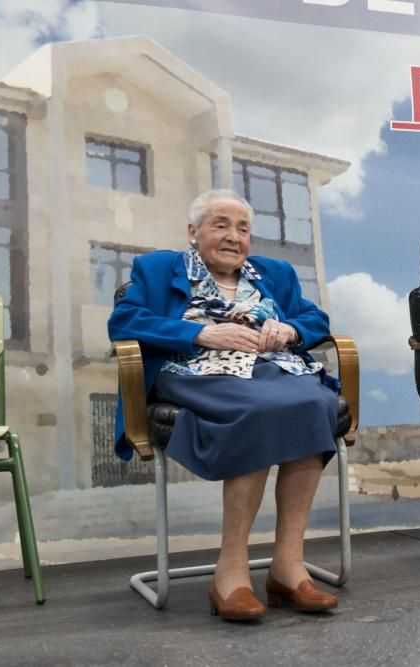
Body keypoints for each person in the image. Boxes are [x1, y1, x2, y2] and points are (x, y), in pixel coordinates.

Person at [109, 189, 339, 620]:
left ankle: (288, 566)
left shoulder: (275, 274)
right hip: (198, 370)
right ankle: (230, 571)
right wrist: (199, 333)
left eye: (243, 229)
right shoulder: (158, 268)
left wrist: (288, 331)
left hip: (272, 367)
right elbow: (124, 320)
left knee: (315, 401)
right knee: (255, 409)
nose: (233, 236)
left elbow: (315, 320)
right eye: (221, 225)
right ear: (193, 233)